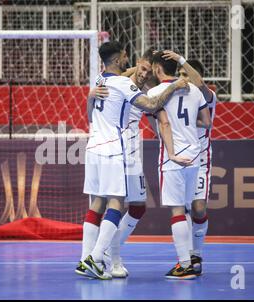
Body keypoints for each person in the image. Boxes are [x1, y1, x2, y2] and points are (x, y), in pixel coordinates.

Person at [77, 41, 189, 280]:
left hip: (115, 152)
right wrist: (176, 85)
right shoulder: (125, 84)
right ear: (135, 63)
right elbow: (148, 102)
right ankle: (97, 257)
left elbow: (158, 119)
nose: (143, 72)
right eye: (142, 67)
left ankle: (100, 257)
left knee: (128, 206)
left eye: (149, 71)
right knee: (114, 205)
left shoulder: (104, 81)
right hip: (114, 152)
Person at [147, 51, 211, 280]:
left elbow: (162, 122)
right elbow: (206, 122)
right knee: (187, 208)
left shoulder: (154, 93)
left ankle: (185, 265)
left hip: (173, 158)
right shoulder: (194, 90)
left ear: (156, 69)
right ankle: (190, 260)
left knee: (177, 211)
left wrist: (172, 150)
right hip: (195, 155)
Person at [163, 51, 217, 276]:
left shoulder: (207, 95)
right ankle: (185, 258)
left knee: (198, 207)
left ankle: (197, 253)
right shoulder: (174, 94)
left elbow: (205, 120)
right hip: (179, 157)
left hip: (201, 158)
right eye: (180, 74)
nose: (183, 78)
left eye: (187, 74)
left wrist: (181, 60)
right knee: (181, 209)